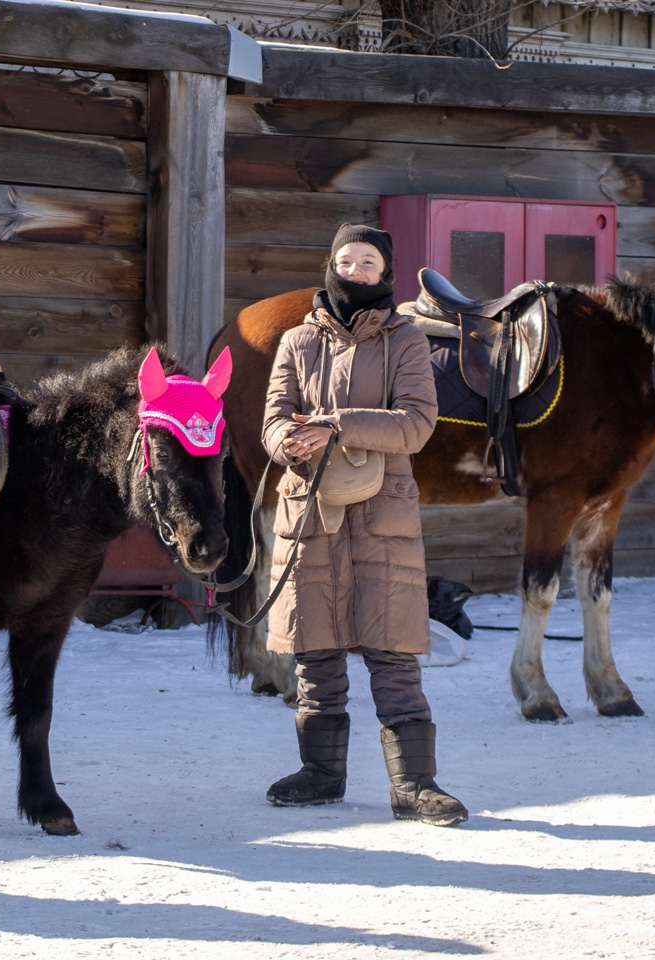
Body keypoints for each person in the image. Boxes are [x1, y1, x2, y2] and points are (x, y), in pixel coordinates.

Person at [260, 223, 468, 827]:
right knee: (314, 650)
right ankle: (321, 774)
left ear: (385, 273)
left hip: (382, 514)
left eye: (368, 262)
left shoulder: (405, 340)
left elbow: (416, 423)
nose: (356, 271)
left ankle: (416, 787)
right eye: (347, 260)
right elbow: (272, 423)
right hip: (311, 510)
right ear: (332, 265)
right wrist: (288, 441)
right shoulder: (297, 342)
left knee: (393, 650)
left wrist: (336, 424)